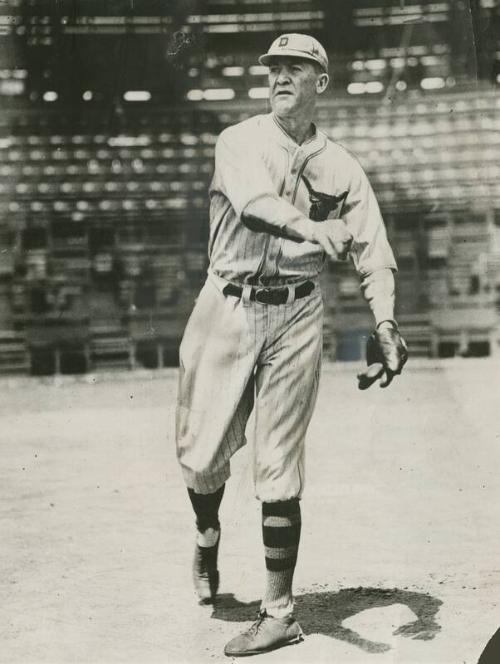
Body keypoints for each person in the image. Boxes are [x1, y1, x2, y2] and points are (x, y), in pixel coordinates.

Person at [175, 33, 408, 657]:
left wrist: (385, 323)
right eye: (273, 68)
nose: (280, 76)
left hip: (298, 313)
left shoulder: (343, 167)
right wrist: (311, 225)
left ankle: (280, 614)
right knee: (201, 457)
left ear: (320, 82)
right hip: (226, 303)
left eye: (295, 68)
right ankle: (206, 533)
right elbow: (254, 205)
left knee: (279, 466)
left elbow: (373, 251)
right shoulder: (240, 140)